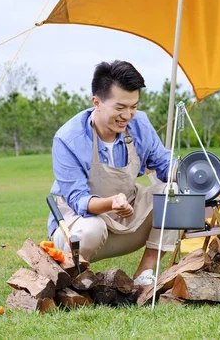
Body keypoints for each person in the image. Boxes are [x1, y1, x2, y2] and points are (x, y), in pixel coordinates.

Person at [47, 60, 178, 285]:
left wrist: (192, 173)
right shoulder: (68, 139)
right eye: (120, 107)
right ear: (96, 102)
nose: (127, 115)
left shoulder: (140, 124)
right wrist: (111, 203)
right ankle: (75, 277)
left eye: (133, 106)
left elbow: (164, 163)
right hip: (80, 226)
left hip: (127, 217)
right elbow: (78, 201)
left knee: (176, 194)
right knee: (91, 228)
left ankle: (144, 275)